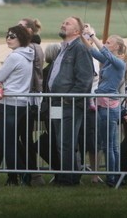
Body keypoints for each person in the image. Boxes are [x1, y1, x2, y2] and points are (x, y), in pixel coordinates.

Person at [47, 16, 94, 186]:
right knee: (61, 141)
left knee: (67, 142)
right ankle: (69, 177)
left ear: (76, 31)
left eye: (67, 23)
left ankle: (67, 179)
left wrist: (69, 99)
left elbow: (85, 79)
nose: (63, 24)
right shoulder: (64, 49)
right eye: (63, 22)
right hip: (57, 103)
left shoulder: (80, 49)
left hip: (69, 104)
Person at [84, 26, 127, 187]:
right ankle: (116, 176)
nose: (105, 43)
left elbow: (103, 51)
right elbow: (94, 51)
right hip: (105, 106)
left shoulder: (119, 63)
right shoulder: (109, 62)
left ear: (117, 47)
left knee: (108, 145)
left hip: (109, 108)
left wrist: (92, 35)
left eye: (109, 42)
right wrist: (83, 36)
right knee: (112, 145)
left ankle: (112, 178)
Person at [0, 25, 34, 186]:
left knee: (7, 143)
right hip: (23, 103)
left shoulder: (15, 56)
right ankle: (25, 174)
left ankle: (17, 177)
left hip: (10, 103)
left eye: (12, 36)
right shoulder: (28, 54)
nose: (8, 39)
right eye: (7, 36)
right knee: (16, 142)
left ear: (21, 39)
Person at [18, 18, 45, 186]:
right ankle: (29, 171)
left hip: (29, 97)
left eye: (20, 27)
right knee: (23, 137)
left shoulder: (31, 48)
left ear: (29, 30)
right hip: (29, 96)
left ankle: (32, 173)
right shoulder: (32, 47)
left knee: (24, 137)